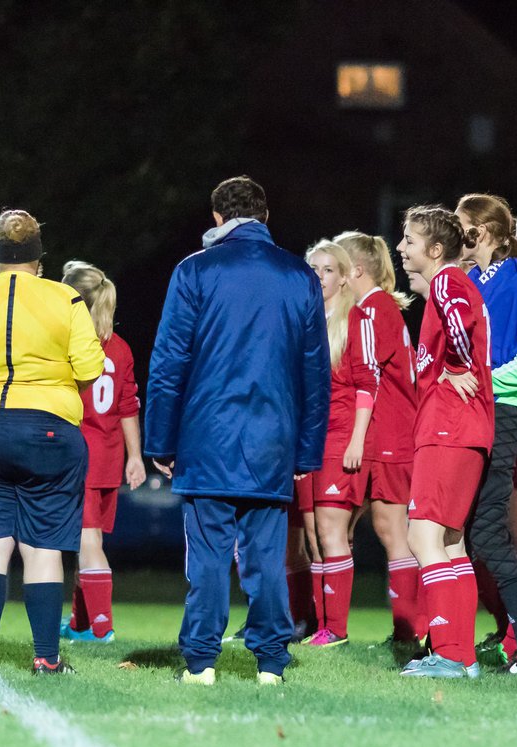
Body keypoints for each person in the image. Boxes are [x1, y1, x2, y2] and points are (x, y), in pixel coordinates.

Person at [145, 176, 330, 686]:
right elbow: (315, 371)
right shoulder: (299, 276)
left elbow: (169, 361)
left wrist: (159, 438)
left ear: (217, 220)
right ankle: (271, 663)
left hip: (206, 435)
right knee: (267, 558)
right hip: (273, 438)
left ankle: (202, 662)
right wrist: (307, 451)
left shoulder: (195, 270)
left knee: (207, 557)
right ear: (265, 217)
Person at [0, 209, 105, 674]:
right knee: (43, 546)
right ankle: (46, 657)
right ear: (38, 256)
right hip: (49, 432)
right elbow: (90, 370)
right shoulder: (65, 299)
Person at [455, 194, 517, 673]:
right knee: (462, 533)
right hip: (472, 414)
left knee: (488, 536)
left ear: (488, 231)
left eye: (464, 226)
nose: (457, 234)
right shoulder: (469, 281)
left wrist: (478, 378)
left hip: (503, 415)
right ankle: (457, 644)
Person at [396, 205, 493, 679]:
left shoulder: (446, 281)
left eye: (409, 241)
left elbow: (457, 326)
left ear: (435, 250)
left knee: (423, 536)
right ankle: (461, 656)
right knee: (452, 544)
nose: (401, 248)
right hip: (465, 430)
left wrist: (455, 365)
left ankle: (450, 655)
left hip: (448, 428)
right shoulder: (451, 283)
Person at [333, 230, 422, 645]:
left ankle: (409, 628)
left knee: (391, 532)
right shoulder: (382, 307)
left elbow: (370, 378)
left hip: (387, 433)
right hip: (389, 431)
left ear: (355, 270)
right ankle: (404, 629)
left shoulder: (371, 311)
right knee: (363, 527)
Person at [59, 261, 146, 644]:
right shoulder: (121, 348)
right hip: (108, 457)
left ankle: (101, 627)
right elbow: (128, 405)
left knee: (87, 542)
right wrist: (135, 457)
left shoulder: (68, 346)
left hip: (78, 457)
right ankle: (80, 623)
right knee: (89, 540)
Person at [300, 239, 371, 647]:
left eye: (328, 269)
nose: (320, 276)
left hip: (339, 436)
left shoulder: (356, 320)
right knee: (312, 537)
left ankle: (337, 630)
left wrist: (356, 440)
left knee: (331, 532)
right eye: (314, 269)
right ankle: (321, 626)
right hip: (307, 440)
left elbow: (366, 385)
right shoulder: (305, 319)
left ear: (345, 277)